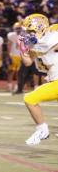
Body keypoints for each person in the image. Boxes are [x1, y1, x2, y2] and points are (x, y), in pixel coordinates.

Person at [19, 13, 58, 145]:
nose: (28, 34)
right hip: (54, 79)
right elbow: (28, 62)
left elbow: (47, 45)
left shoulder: (53, 34)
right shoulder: (37, 43)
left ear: (39, 28)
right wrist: (22, 50)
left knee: (30, 99)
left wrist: (31, 45)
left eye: (30, 31)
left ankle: (42, 130)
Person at [7, 22, 22, 91]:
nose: (18, 30)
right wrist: (9, 55)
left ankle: (17, 85)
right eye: (17, 28)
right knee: (11, 71)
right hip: (13, 55)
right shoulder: (11, 35)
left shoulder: (24, 35)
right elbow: (9, 45)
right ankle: (9, 85)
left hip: (20, 56)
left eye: (19, 28)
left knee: (19, 72)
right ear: (14, 28)